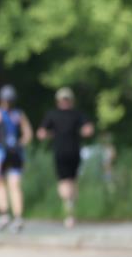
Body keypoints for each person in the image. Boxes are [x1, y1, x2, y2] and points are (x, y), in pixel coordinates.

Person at [37, 87, 94, 228]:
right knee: (69, 181)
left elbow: (41, 133)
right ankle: (70, 210)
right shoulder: (75, 114)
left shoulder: (57, 114)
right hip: (69, 152)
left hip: (66, 152)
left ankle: (68, 209)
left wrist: (52, 134)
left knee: (67, 181)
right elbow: (89, 130)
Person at [0, 85, 33, 233]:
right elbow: (28, 134)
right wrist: (20, 145)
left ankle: (5, 215)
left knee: (0, 185)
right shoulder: (19, 114)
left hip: (1, 153)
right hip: (16, 153)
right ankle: (18, 217)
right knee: (15, 186)